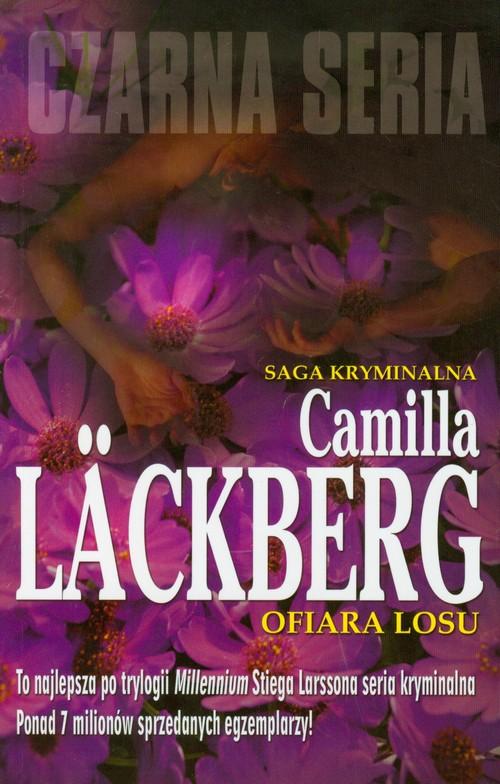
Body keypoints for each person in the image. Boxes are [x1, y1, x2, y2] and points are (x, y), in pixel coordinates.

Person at [27, 119, 500, 443]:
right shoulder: (181, 150)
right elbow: (45, 246)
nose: (228, 178)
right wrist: (117, 359)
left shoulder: (380, 135)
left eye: (229, 166)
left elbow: (485, 267)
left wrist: (383, 319)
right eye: (205, 181)